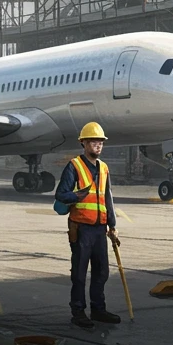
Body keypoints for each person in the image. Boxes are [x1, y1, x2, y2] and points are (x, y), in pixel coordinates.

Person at [55, 122, 123, 329]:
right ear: (83, 143)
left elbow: (107, 197)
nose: (98, 145)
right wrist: (77, 195)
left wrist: (112, 224)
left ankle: (98, 309)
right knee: (79, 274)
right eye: (94, 141)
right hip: (81, 228)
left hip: (100, 229)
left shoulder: (104, 168)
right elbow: (60, 195)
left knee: (102, 272)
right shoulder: (74, 166)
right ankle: (78, 311)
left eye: (100, 142)